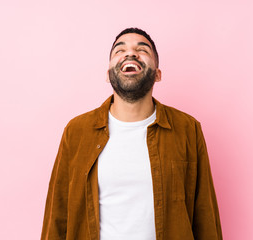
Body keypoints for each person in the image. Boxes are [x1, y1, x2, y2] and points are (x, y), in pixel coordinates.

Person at [41, 27, 222, 240]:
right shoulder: (77, 131)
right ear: (108, 74)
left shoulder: (187, 129)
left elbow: (205, 217)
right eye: (120, 50)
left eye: (142, 49)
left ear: (157, 74)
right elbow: (57, 216)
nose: (131, 53)